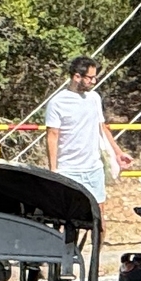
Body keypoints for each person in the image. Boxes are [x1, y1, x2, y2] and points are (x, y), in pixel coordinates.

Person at [43, 56, 122, 201]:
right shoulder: (57, 102)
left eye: (95, 77)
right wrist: (53, 170)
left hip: (94, 168)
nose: (94, 81)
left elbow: (102, 128)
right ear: (77, 77)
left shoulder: (94, 98)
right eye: (90, 78)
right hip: (68, 170)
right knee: (68, 214)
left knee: (98, 214)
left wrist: (117, 152)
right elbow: (52, 136)